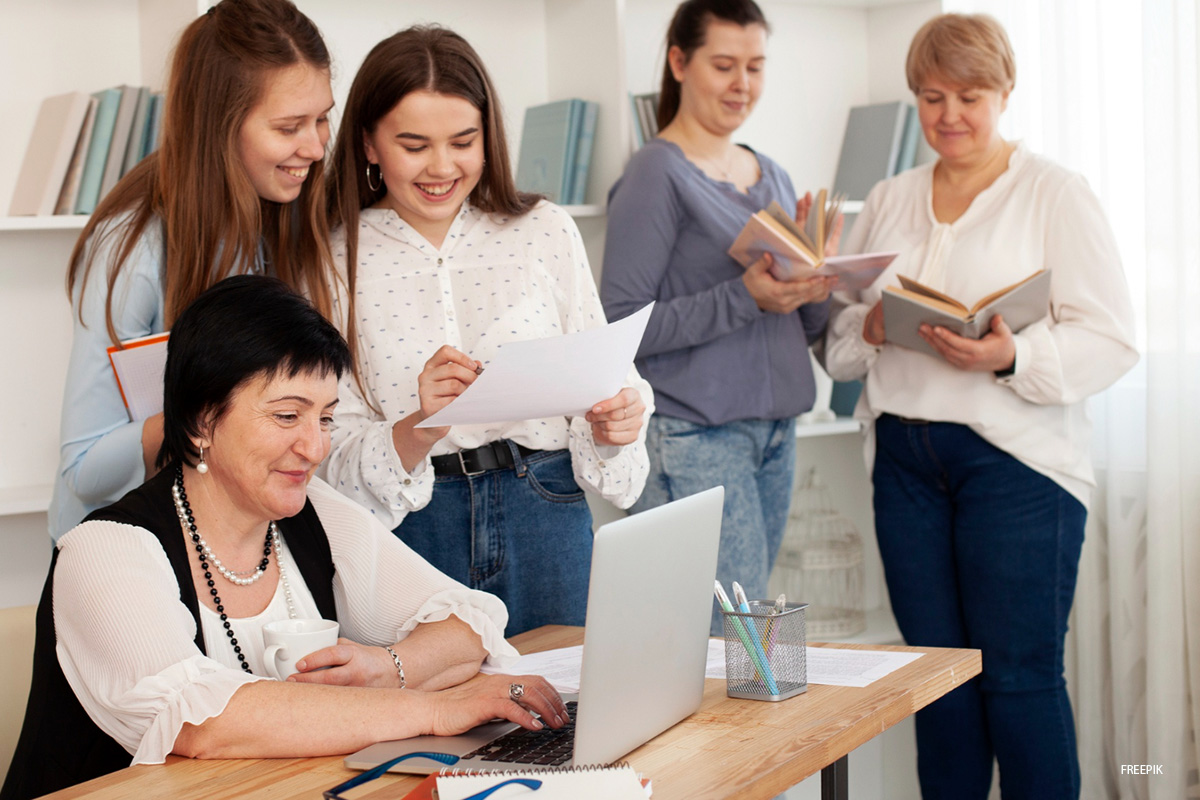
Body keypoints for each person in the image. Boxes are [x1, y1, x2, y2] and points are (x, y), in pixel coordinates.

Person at [2, 276, 568, 800]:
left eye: (324, 418)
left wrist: (387, 667)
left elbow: (468, 623)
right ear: (202, 419)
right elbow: (205, 723)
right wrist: (432, 710)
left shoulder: (311, 510)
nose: (315, 448)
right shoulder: (105, 549)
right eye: (286, 416)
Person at [821, 13, 1137, 800]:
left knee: (1020, 681)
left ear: (1005, 93)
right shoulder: (890, 198)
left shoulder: (1056, 193)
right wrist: (867, 321)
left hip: (1018, 466)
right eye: (932, 97)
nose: (949, 115)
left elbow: (1113, 336)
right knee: (938, 684)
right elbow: (838, 348)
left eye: (969, 96)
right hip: (904, 463)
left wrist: (1012, 355)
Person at [322, 26, 652, 637]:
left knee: (570, 720)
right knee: (430, 731)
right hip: (413, 532)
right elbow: (327, 455)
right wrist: (418, 428)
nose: (442, 167)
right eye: (414, 144)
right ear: (369, 143)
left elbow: (610, 383)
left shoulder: (544, 231)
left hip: (546, 509)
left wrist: (617, 425)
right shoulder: (329, 257)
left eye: (463, 141)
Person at [49, 0, 339, 541]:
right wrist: (211, 417)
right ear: (220, 127)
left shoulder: (285, 218)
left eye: (322, 118)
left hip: (223, 540)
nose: (316, 146)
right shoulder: (132, 248)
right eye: (289, 126)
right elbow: (84, 470)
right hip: (118, 549)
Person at [600, 0, 836, 634]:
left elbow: (800, 326)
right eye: (725, 65)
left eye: (755, 67)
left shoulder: (774, 174)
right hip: (694, 438)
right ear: (679, 62)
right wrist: (746, 297)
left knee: (741, 636)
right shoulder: (656, 173)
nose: (743, 86)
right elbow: (622, 327)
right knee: (736, 642)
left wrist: (818, 281)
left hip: (776, 431)